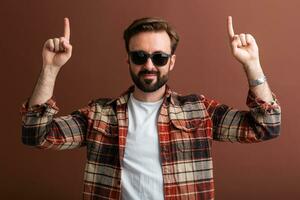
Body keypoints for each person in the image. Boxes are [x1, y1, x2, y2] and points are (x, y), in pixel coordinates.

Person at [21, 16, 281, 200]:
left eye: (159, 57)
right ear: (128, 60)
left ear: (171, 62)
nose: (149, 65)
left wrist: (252, 64)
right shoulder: (99, 114)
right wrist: (50, 69)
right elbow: (36, 135)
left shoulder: (199, 110)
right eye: (139, 56)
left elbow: (266, 128)